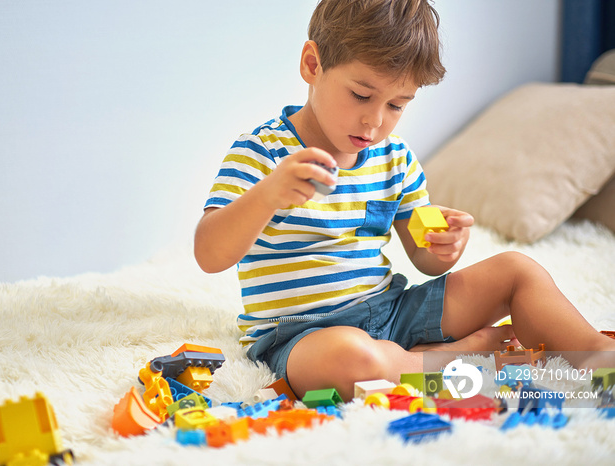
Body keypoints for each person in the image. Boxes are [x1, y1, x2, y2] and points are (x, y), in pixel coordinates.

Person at [193, 0, 615, 401]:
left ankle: (596, 356)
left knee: (516, 270)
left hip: (391, 312)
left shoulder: (395, 158)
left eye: (396, 104)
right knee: (352, 360)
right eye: (361, 95)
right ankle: (450, 360)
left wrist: (442, 248)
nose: (374, 122)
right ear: (312, 65)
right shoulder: (261, 153)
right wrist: (268, 194)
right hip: (301, 336)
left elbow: (423, 257)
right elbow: (210, 254)